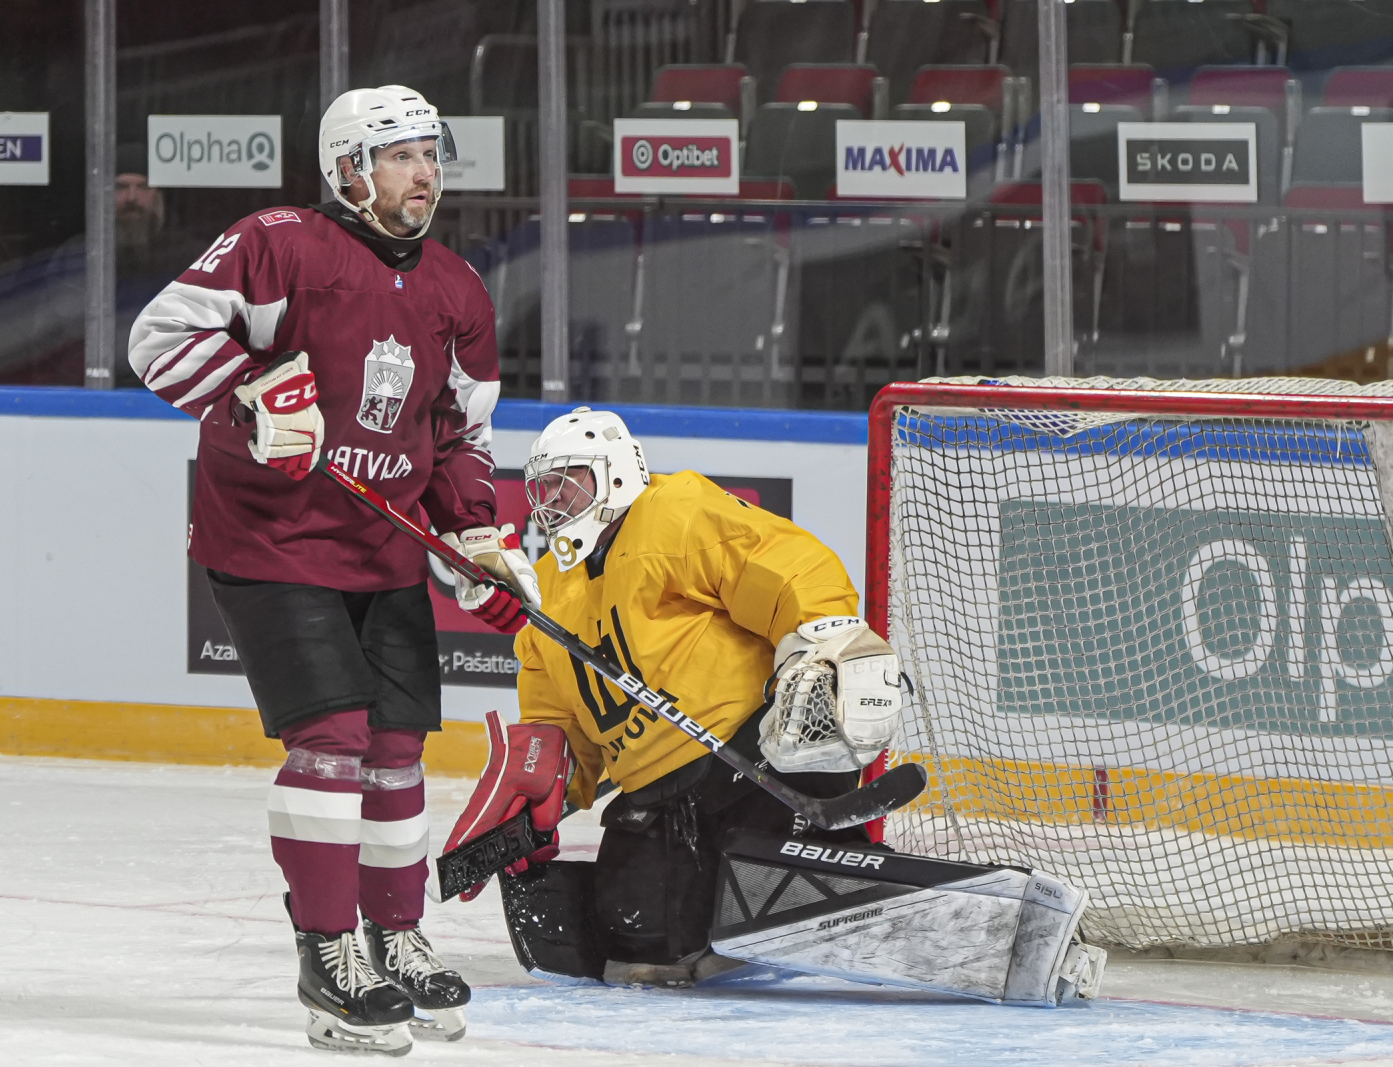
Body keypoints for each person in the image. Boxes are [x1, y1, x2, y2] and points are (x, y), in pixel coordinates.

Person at [127, 85, 539, 1056]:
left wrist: (475, 535)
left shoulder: (457, 289)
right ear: (350, 169)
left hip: (383, 545)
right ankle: (328, 952)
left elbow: (460, 433)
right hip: (270, 540)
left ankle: (395, 935)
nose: (425, 174)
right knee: (332, 738)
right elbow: (157, 338)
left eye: (431, 155)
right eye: (401, 156)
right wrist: (250, 395)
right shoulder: (278, 245)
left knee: (396, 746)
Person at [444, 407, 904, 985]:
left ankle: (858, 883)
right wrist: (536, 799)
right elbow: (559, 727)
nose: (553, 500)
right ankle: (748, 915)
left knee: (776, 850)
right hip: (658, 800)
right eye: (544, 487)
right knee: (635, 942)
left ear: (614, 473)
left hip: (753, 761)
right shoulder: (546, 593)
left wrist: (823, 636)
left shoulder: (674, 512)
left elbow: (786, 564)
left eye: (569, 480)